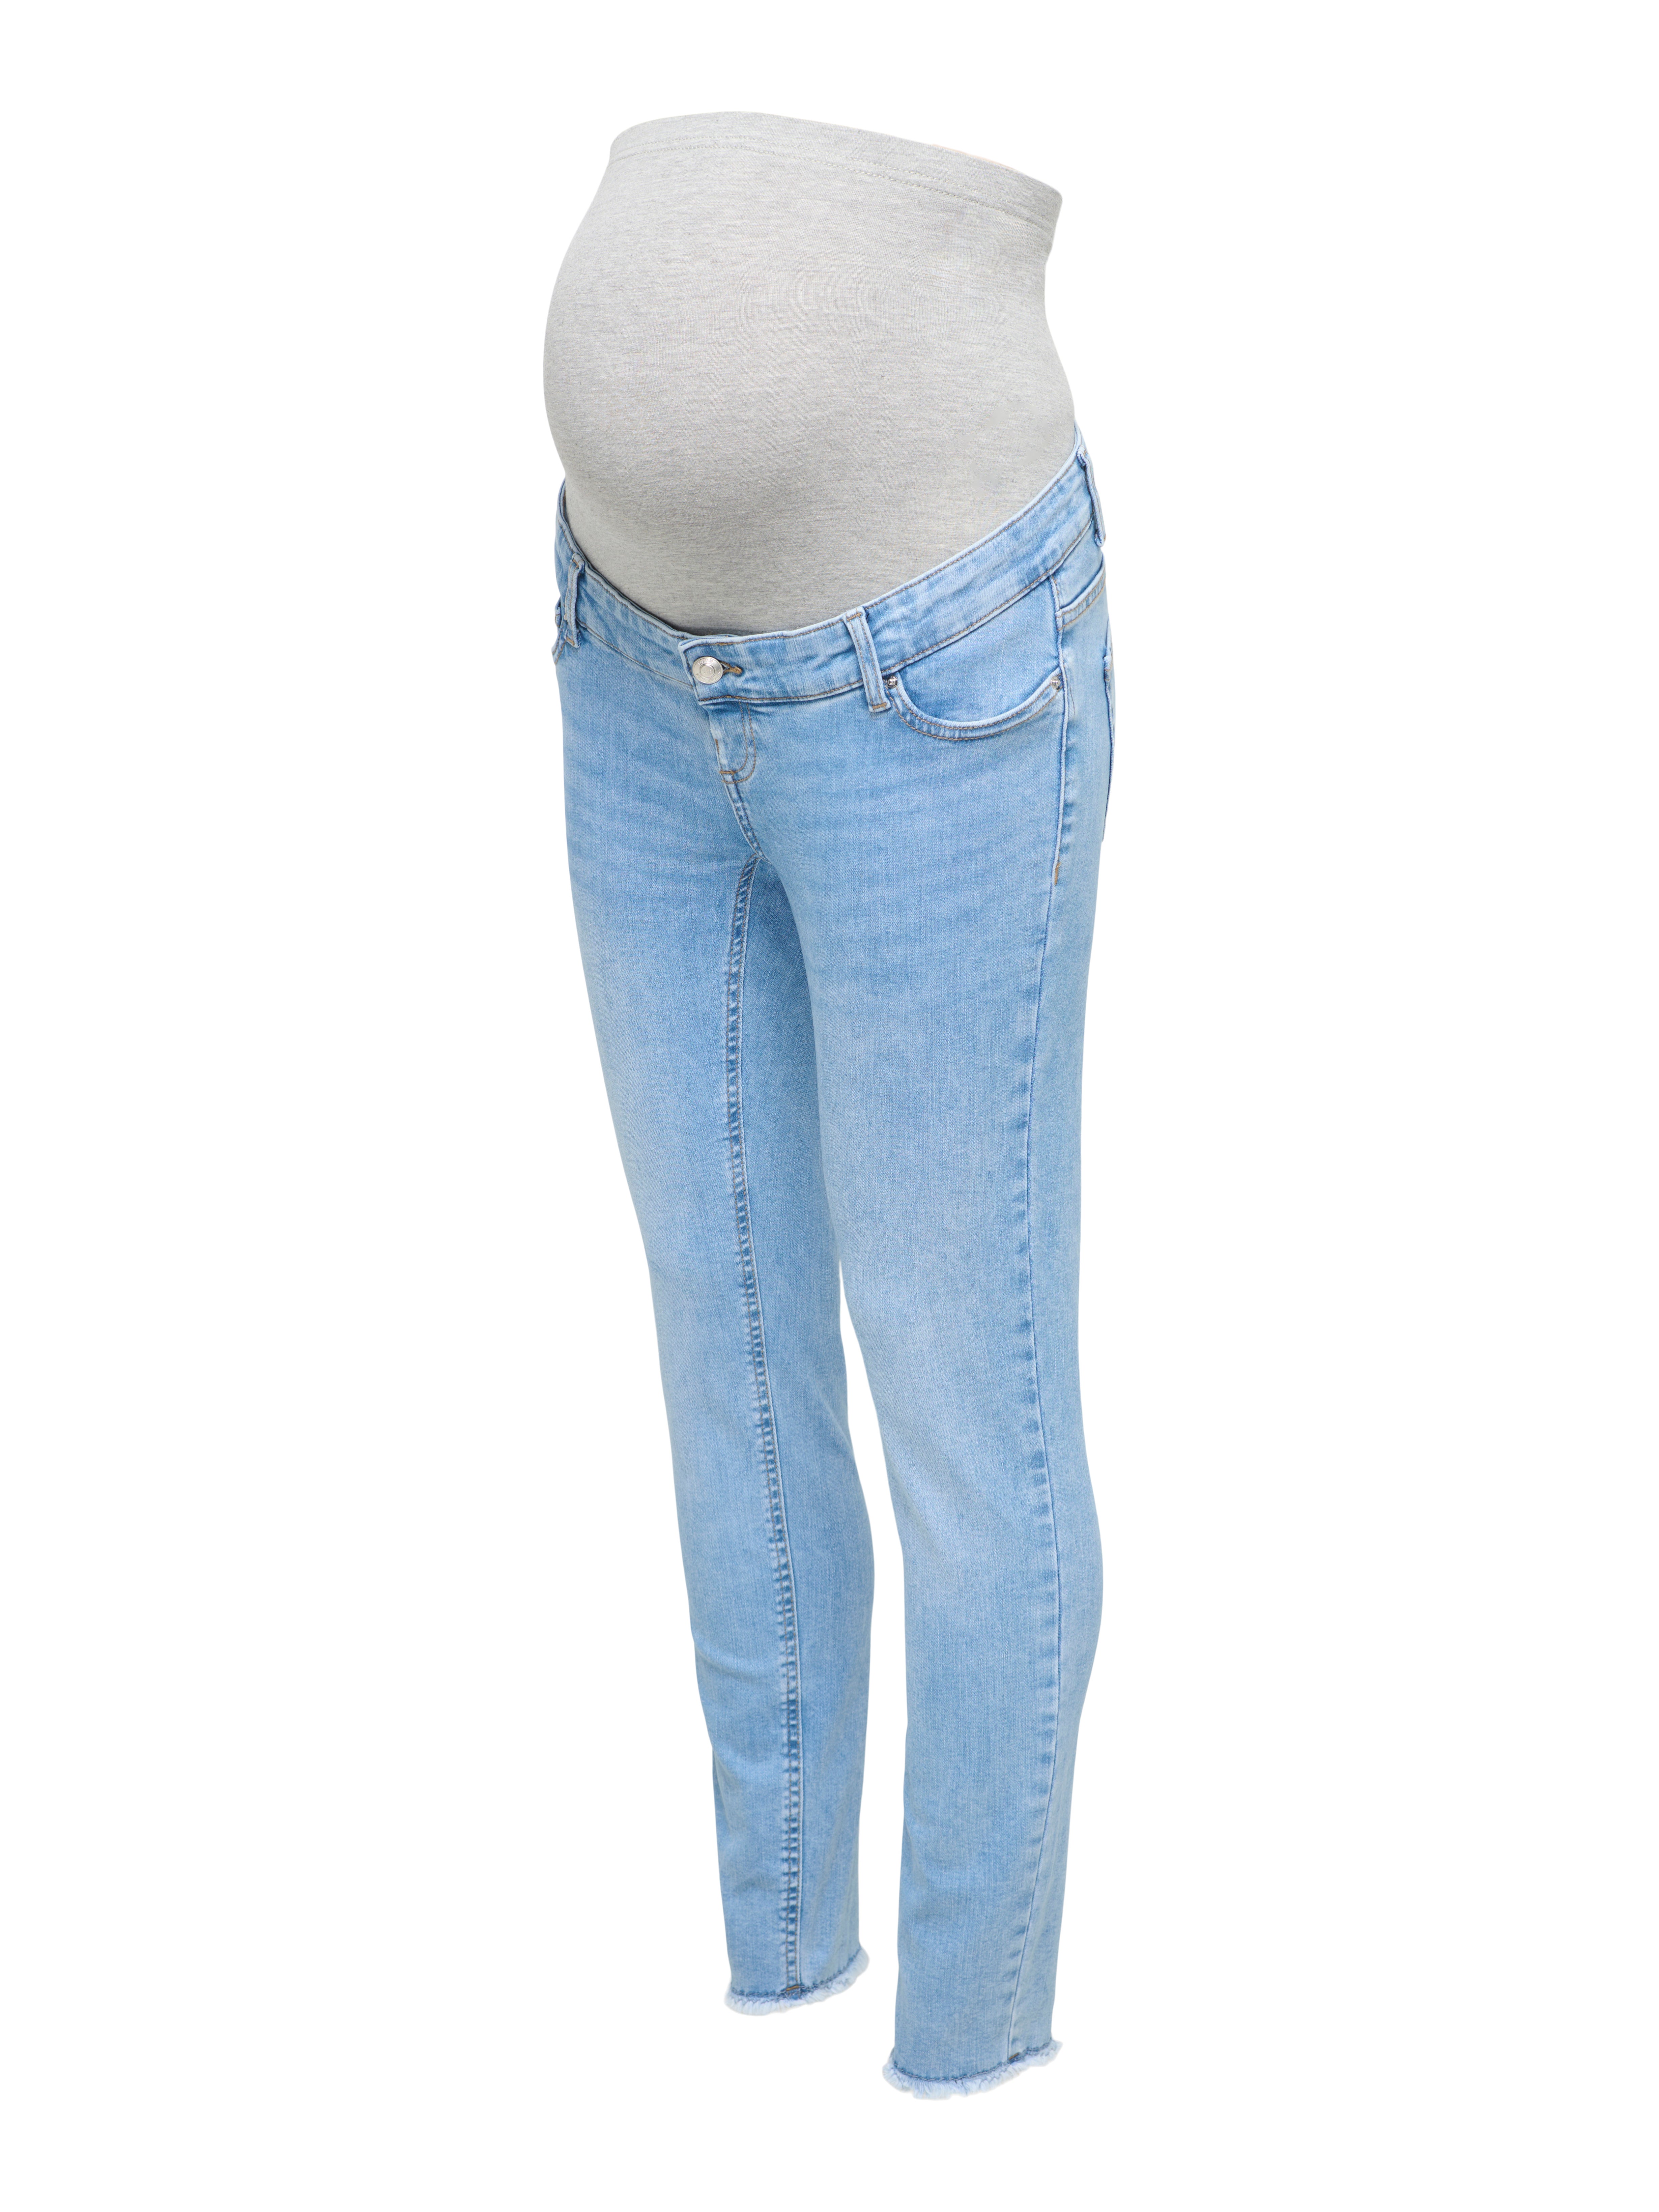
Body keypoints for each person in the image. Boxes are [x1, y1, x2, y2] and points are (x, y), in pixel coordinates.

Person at [545, 111, 1115, 2098]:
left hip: (936, 671)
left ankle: (970, 2056)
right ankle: (777, 1961)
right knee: (726, 1355)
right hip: (627, 660)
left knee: (968, 1401)